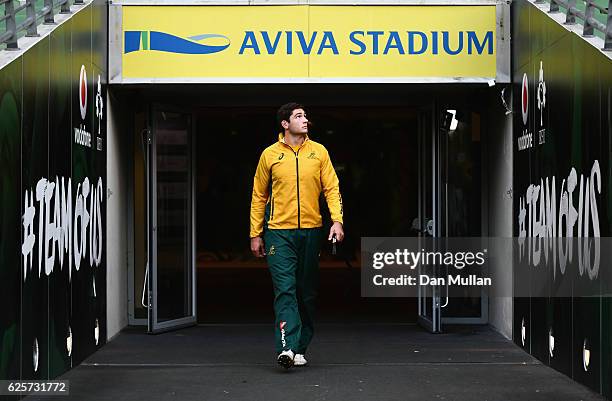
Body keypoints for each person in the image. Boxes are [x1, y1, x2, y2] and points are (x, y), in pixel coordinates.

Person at [250, 102, 344, 369]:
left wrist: (336, 221)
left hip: (311, 231)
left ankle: (301, 345)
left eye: (305, 116)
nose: (305, 120)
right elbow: (259, 196)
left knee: (306, 292)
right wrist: (255, 233)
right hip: (278, 232)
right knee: (285, 291)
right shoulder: (269, 155)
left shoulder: (319, 152)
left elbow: (332, 188)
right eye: (299, 116)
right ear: (284, 123)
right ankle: (287, 347)